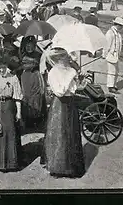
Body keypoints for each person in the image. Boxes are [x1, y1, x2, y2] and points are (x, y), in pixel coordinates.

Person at [41, 49, 87, 178]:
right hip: (59, 105)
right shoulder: (53, 73)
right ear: (59, 59)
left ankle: (71, 167)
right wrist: (71, 76)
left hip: (70, 103)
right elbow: (60, 91)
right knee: (60, 135)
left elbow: (74, 89)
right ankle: (58, 167)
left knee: (71, 134)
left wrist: (80, 80)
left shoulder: (68, 70)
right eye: (66, 58)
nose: (69, 60)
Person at [0, 51, 23, 172]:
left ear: (7, 66)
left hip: (9, 107)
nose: (1, 70)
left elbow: (17, 97)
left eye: (3, 67)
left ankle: (11, 163)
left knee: (10, 132)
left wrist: (18, 112)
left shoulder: (13, 78)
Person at [18, 36, 46, 129]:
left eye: (31, 46)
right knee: (26, 97)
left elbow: (41, 65)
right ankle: (27, 121)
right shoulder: (22, 54)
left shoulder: (39, 54)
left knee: (36, 96)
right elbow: (20, 66)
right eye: (27, 46)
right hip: (25, 77)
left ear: (34, 46)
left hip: (35, 77)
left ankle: (37, 120)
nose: (29, 48)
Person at [103, 17, 123, 93]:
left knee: (116, 71)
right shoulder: (110, 33)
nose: (122, 27)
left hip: (116, 56)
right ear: (118, 25)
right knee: (111, 71)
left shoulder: (117, 33)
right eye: (121, 26)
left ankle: (113, 85)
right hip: (111, 55)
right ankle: (110, 86)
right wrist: (104, 54)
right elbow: (106, 45)